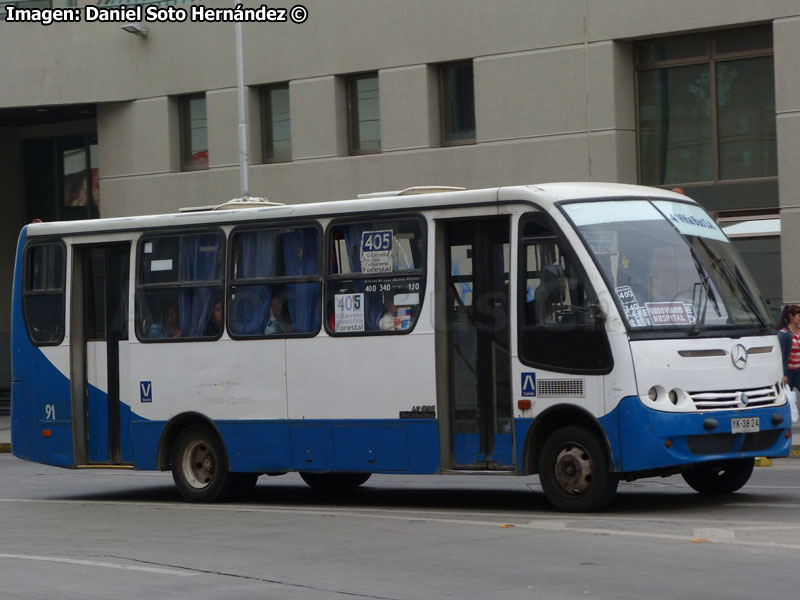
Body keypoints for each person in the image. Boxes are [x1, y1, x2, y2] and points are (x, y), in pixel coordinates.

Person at [777, 304, 800, 390]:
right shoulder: (784, 334)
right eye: (799, 316)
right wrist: (784, 374)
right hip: (789, 371)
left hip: (799, 370)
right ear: (791, 316)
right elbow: (782, 356)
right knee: (789, 396)